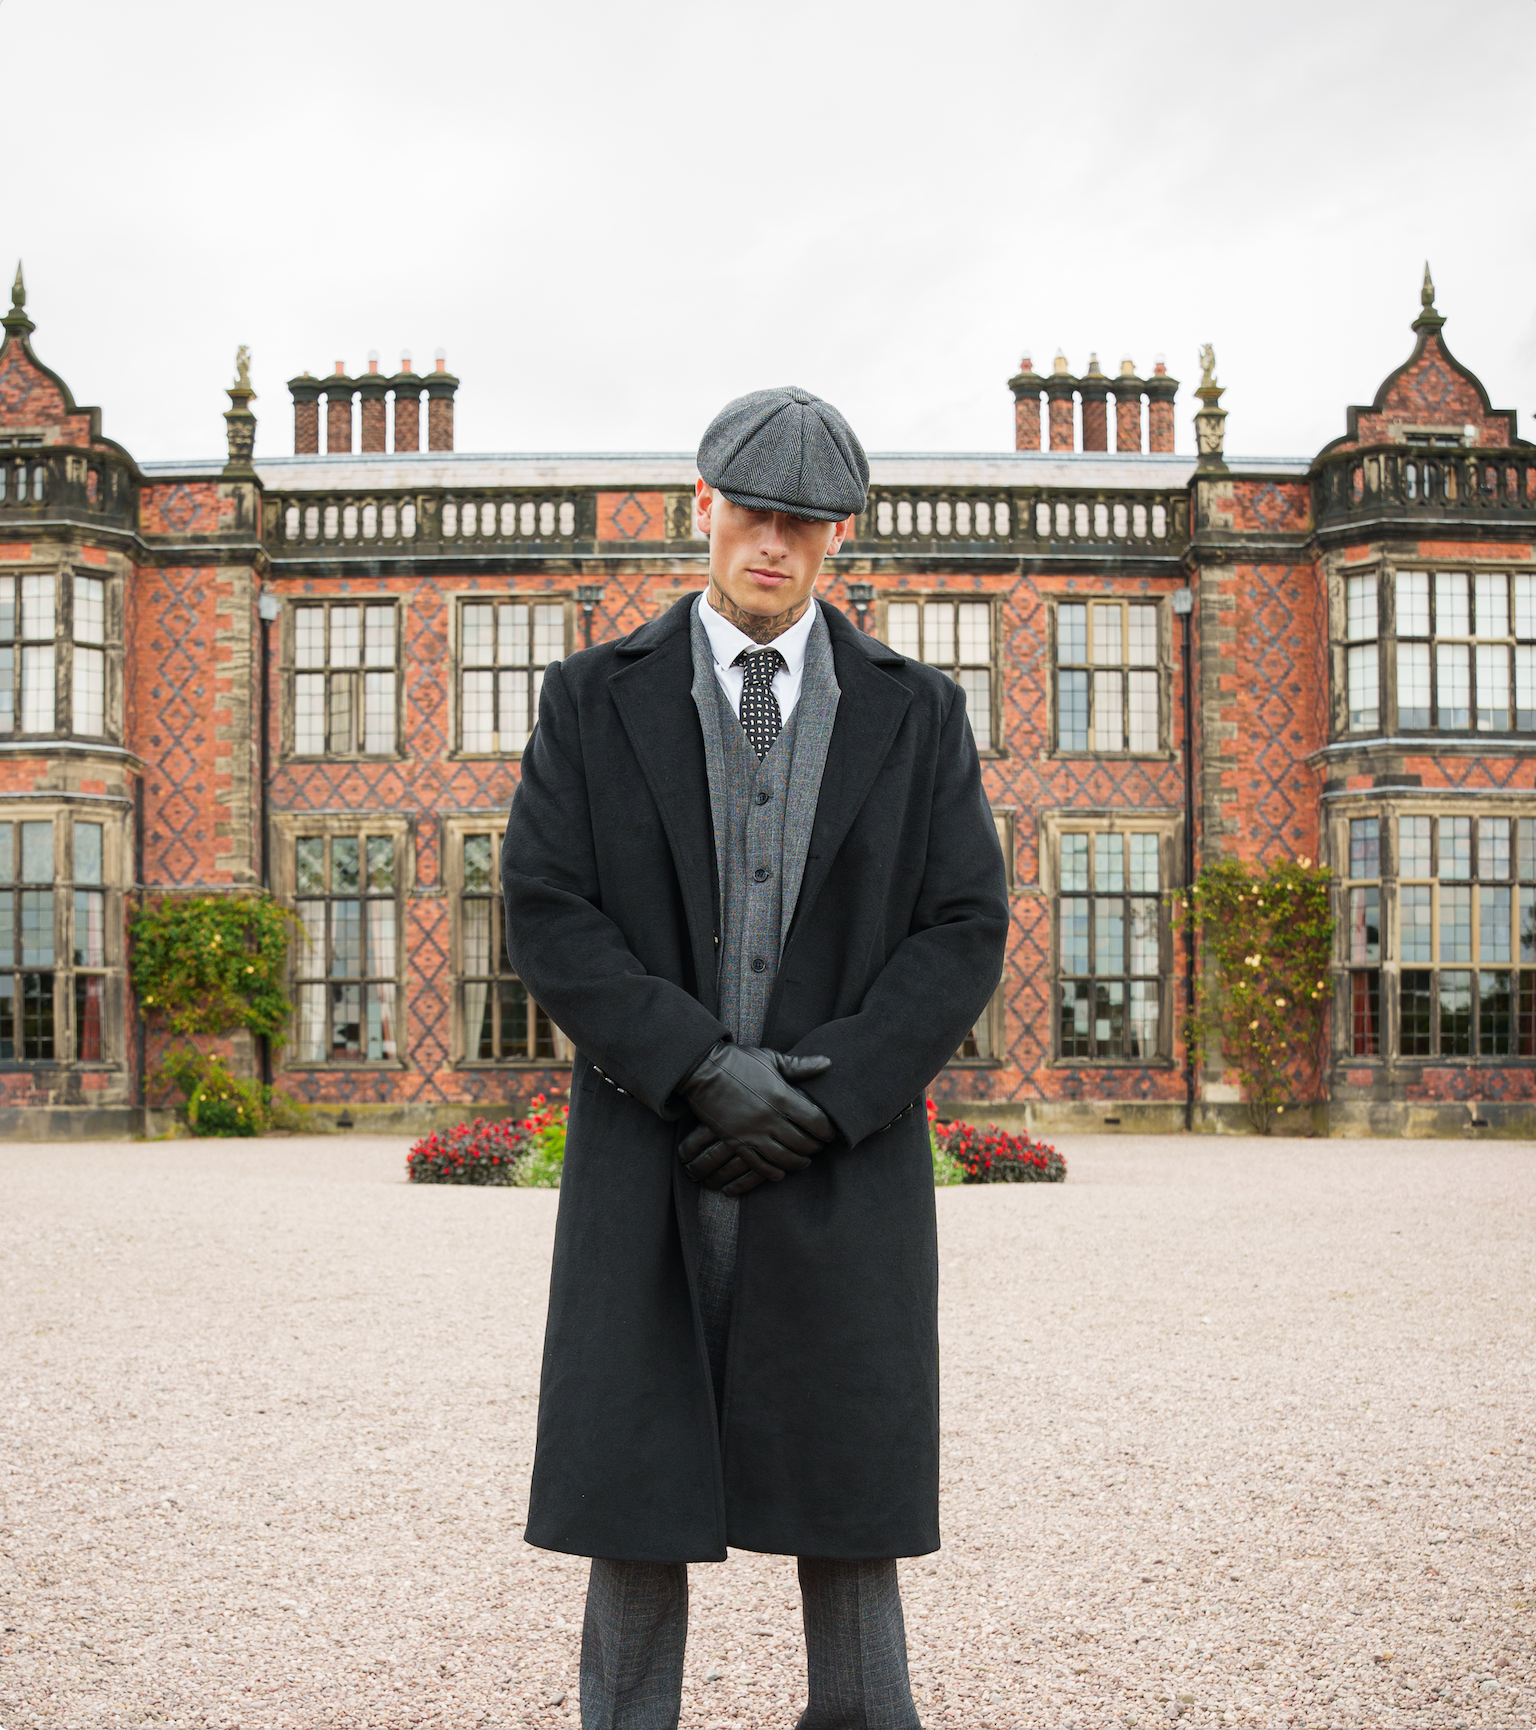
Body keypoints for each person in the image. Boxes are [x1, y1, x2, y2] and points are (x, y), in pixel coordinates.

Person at [501, 385, 1009, 1730]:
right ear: (702, 506)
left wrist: (822, 1097)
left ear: (841, 534)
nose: (773, 544)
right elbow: (548, 908)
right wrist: (694, 1065)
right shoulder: (593, 698)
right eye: (752, 513)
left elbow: (963, 926)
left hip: (838, 1156)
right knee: (636, 1492)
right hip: (652, 1140)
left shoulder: (919, 711)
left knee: (848, 1502)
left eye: (805, 521)